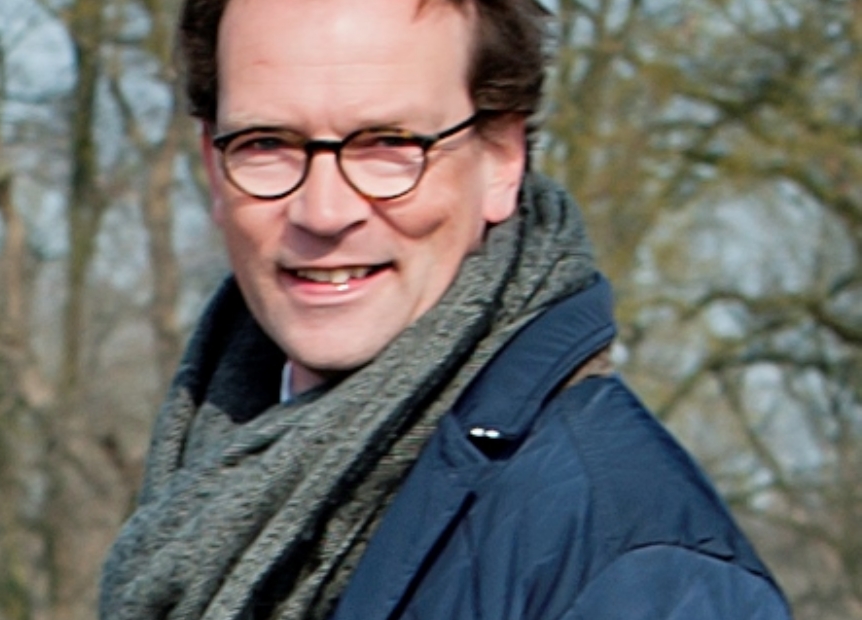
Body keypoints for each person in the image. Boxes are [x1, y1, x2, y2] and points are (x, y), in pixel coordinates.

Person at [99, 0, 792, 618]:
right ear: (212, 166)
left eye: (388, 144)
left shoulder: (630, 569)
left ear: (501, 158)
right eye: (267, 144)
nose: (324, 211)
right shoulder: (200, 486)